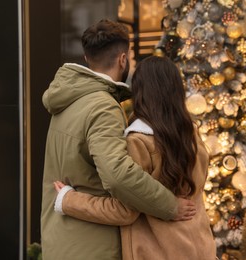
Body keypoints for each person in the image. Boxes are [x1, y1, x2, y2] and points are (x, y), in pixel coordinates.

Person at [41, 19, 196, 260]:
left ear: (86, 57)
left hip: (62, 239)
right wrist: (170, 206)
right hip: (93, 245)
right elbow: (118, 176)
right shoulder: (103, 106)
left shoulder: (67, 102)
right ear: (123, 59)